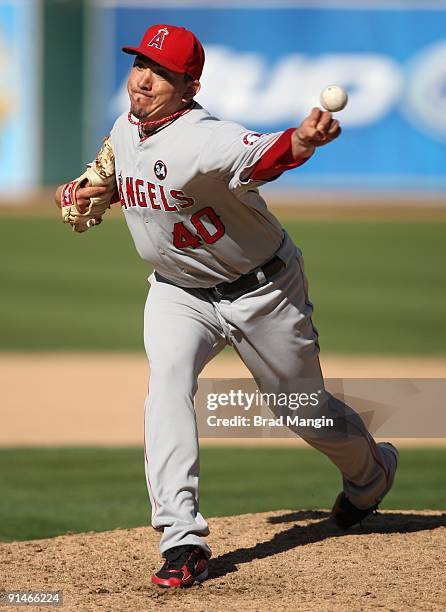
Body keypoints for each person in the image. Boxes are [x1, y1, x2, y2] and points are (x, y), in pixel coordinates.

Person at [55, 24, 398, 589]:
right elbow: (122, 170)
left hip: (263, 291)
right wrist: (95, 189)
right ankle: (181, 537)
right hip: (177, 292)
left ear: (189, 85)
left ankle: (371, 475)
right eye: (140, 63)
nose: (142, 79)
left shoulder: (207, 136)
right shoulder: (126, 126)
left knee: (301, 410)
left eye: (159, 71)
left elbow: (265, 155)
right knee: (166, 385)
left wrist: (304, 141)